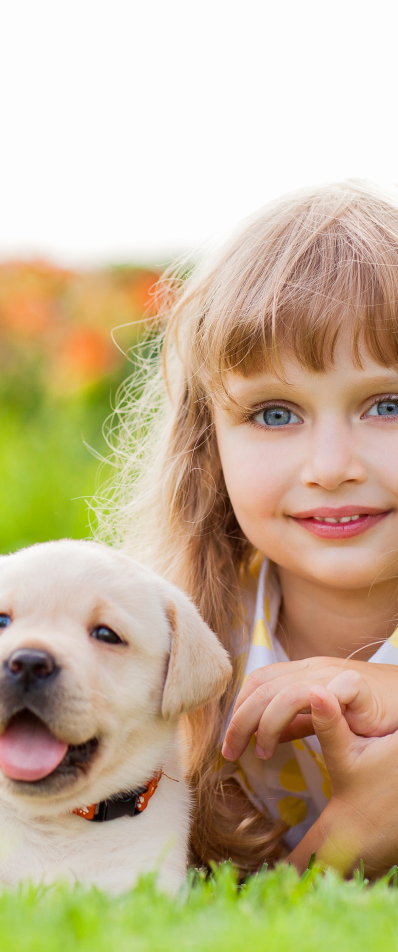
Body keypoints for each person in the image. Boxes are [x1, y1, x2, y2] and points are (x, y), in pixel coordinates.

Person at [96, 180, 398, 876]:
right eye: (274, 414)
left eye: (387, 404)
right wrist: (354, 832)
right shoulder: (180, 650)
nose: (331, 467)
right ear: (209, 447)